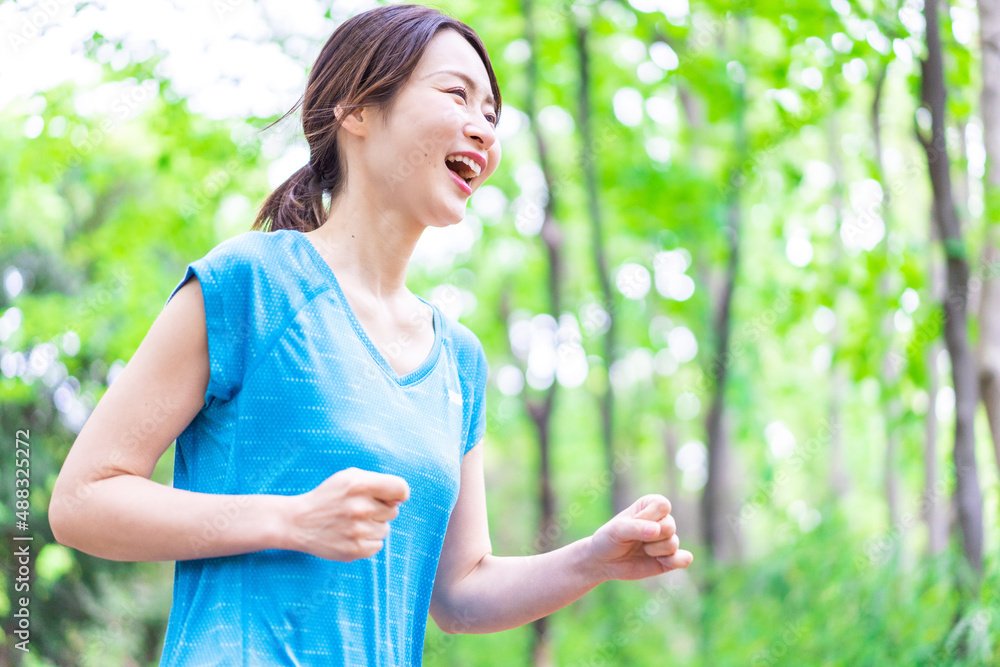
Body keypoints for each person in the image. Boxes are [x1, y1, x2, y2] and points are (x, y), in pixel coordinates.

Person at [49, 4, 693, 665]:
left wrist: (590, 558)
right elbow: (83, 499)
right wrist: (289, 520)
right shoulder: (252, 282)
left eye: (493, 115)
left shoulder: (459, 361)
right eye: (456, 94)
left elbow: (460, 591)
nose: (484, 130)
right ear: (355, 109)